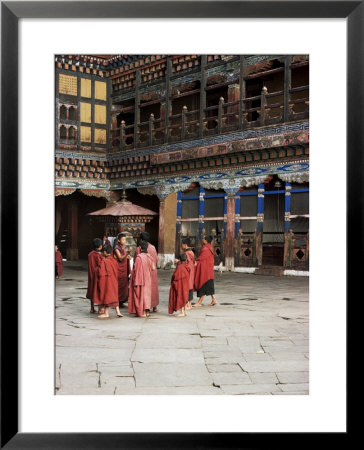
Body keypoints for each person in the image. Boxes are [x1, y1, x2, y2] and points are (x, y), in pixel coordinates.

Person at [93, 245, 123, 319]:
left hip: (107, 281)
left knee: (107, 295)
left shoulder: (104, 261)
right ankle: (118, 311)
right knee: (114, 294)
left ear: (105, 252)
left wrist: (96, 269)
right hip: (114, 280)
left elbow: (100, 272)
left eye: (102, 252)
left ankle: (106, 313)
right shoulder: (114, 260)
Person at [128, 240, 155, 318]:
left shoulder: (139, 258)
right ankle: (147, 311)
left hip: (140, 279)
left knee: (141, 295)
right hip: (148, 279)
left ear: (140, 247)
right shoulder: (150, 256)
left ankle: (142, 311)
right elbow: (153, 268)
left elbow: (135, 269)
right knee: (147, 295)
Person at [134, 231, 159, 312]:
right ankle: (154, 306)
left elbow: (136, 261)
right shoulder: (153, 247)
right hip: (153, 270)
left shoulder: (139, 248)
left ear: (141, 239)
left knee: (145, 289)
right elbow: (156, 260)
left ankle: (145, 307)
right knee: (153, 288)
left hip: (144, 272)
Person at [193, 235, 217, 307]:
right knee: (209, 285)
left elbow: (201, 258)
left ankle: (199, 302)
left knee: (203, 285)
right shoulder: (209, 247)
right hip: (208, 271)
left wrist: (195, 262)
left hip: (205, 271)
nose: (202, 239)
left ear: (206, 240)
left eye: (203, 238)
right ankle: (214, 299)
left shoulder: (205, 249)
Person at [174, 238, 195, 310]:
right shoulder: (191, 252)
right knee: (190, 286)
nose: (181, 246)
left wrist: (177, 261)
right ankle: (189, 303)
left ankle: (188, 304)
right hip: (191, 271)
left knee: (187, 286)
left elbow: (185, 264)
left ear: (185, 245)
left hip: (187, 272)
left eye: (182, 244)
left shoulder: (187, 253)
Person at [113, 233, 132, 308]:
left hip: (123, 270)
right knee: (119, 286)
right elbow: (120, 258)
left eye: (125, 239)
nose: (124, 241)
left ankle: (121, 302)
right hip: (119, 269)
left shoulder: (122, 247)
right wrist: (127, 253)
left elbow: (124, 256)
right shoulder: (117, 248)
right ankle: (116, 302)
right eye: (123, 239)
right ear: (118, 240)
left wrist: (128, 256)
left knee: (124, 285)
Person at [86, 238, 103, 313]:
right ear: (100, 246)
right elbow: (100, 265)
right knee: (99, 290)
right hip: (97, 275)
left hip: (91, 274)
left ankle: (92, 308)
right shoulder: (98, 255)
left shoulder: (90, 254)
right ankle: (100, 309)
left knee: (91, 290)